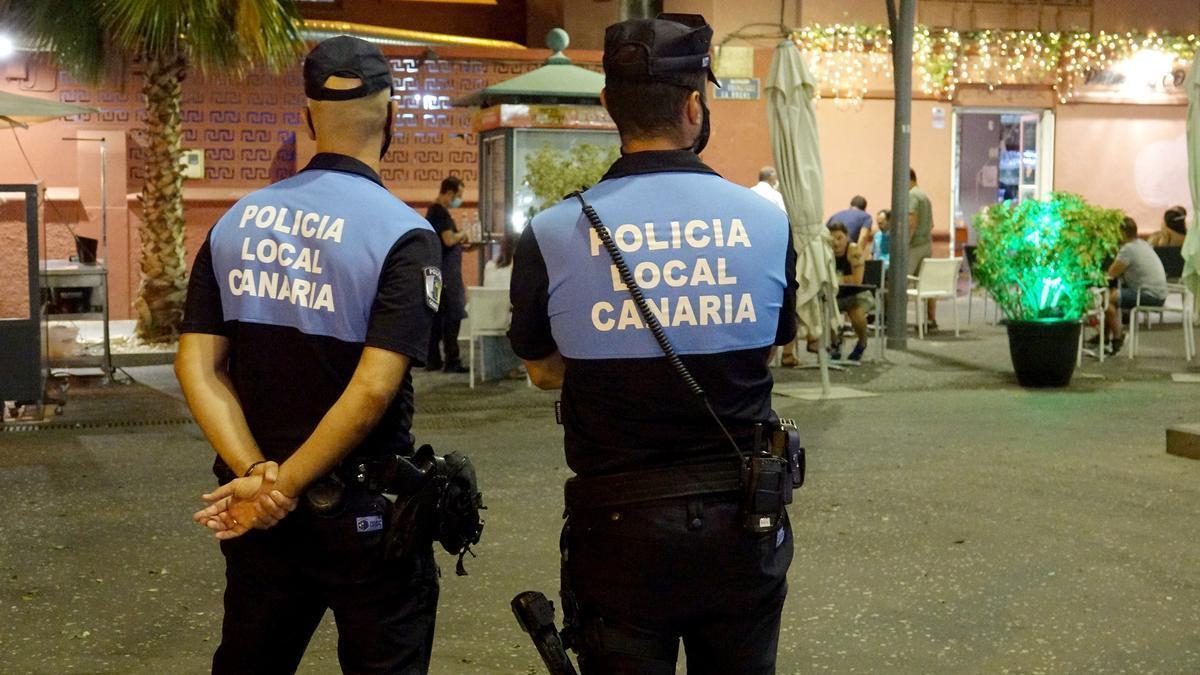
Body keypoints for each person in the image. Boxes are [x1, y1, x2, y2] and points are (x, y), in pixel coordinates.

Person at [509, 13, 798, 673]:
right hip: (741, 523)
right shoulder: (765, 221)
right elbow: (771, 345)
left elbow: (541, 367)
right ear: (695, 106)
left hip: (616, 535)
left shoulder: (555, 231)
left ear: (608, 104)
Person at [175, 36, 443, 674]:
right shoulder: (403, 233)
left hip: (258, 507)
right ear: (392, 114)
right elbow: (374, 389)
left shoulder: (238, 220)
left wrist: (259, 478)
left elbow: (197, 364)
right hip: (363, 515)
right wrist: (288, 485)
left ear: (308, 115)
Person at [1100, 216, 1168, 355]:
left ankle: (1118, 337)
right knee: (1111, 296)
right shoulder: (1142, 244)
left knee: (1106, 299)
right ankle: (1104, 338)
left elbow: (1111, 273)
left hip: (1149, 295)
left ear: (1122, 233)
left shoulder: (1128, 249)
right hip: (1160, 293)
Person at [426, 175, 471, 373]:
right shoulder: (440, 212)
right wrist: (464, 233)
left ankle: (433, 360)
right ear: (450, 193)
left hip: (434, 273)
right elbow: (449, 240)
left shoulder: (433, 211)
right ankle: (452, 360)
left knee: (435, 319)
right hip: (446, 276)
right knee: (452, 316)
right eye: (458, 195)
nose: (458, 200)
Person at [827, 222, 871, 361]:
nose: (836, 242)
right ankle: (835, 343)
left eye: (839, 238)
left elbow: (857, 280)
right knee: (823, 311)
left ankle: (862, 342)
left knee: (856, 313)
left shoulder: (854, 250)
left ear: (847, 237)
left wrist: (835, 278)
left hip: (858, 294)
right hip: (836, 295)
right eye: (832, 238)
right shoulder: (825, 251)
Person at [908, 168, 936, 329]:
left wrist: (905, 243)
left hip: (914, 245)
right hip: (927, 244)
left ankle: (895, 320)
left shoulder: (912, 196)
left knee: (901, 281)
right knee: (926, 283)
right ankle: (931, 319)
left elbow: (911, 221)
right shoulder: (925, 197)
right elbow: (931, 224)